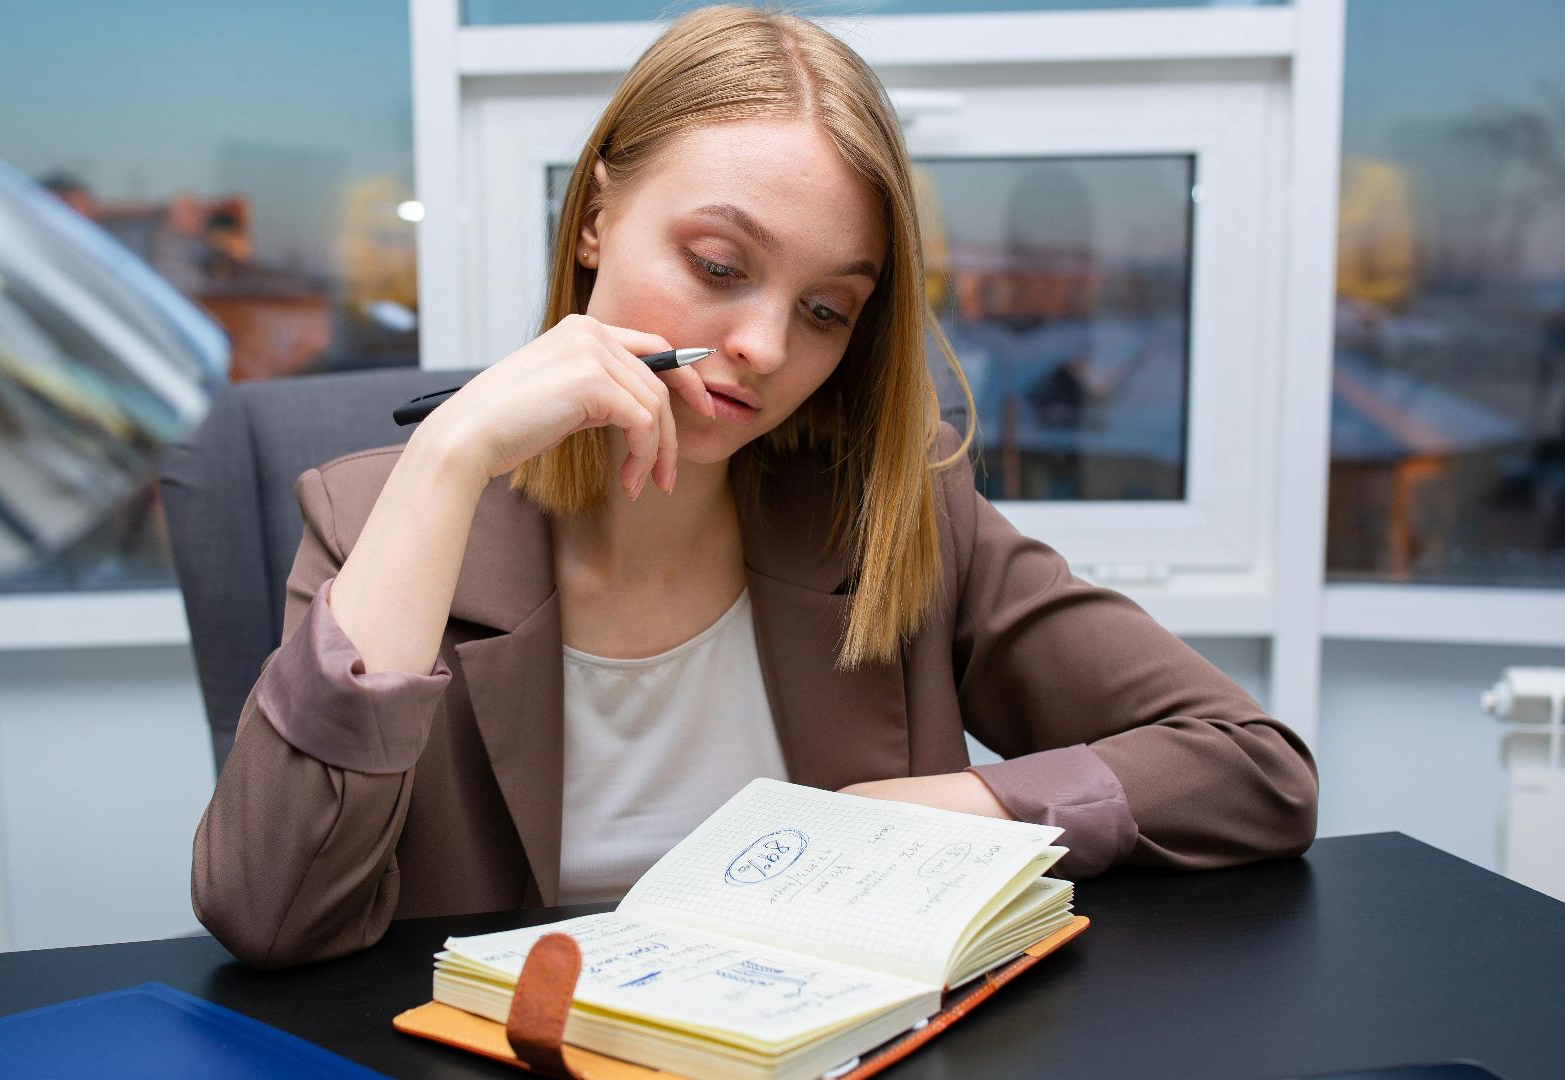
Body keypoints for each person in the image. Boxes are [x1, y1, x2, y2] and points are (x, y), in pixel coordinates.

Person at [192, 5, 1317, 969]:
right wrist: (443, 465)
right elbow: (275, 912)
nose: (767, 346)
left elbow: (1254, 770)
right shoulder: (377, 519)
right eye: (720, 268)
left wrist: (944, 812)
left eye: (826, 309)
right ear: (593, 218)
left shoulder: (896, 517)